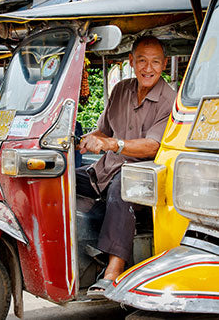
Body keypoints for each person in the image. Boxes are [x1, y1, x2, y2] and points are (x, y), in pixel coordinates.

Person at [76, 35, 176, 298]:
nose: (148, 68)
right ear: (131, 61)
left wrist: (112, 144)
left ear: (164, 64)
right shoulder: (120, 89)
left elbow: (152, 147)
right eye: (142, 60)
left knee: (124, 188)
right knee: (63, 179)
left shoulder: (170, 100)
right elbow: (103, 131)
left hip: (144, 180)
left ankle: (113, 271)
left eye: (155, 62)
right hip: (106, 169)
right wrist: (89, 139)